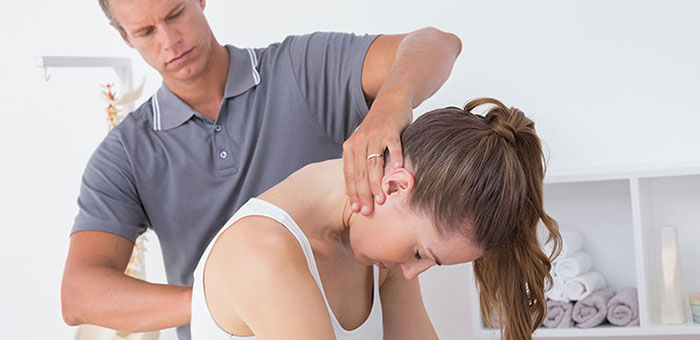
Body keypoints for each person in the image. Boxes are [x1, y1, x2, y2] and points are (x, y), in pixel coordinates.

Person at [60, 0, 462, 339]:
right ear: (124, 38)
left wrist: (394, 101)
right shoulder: (127, 153)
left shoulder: (302, 70)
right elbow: (80, 295)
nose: (170, 42)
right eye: (146, 32)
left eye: (175, 13)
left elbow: (438, 43)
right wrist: (219, 298)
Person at [190, 98, 563, 340]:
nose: (412, 272)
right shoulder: (262, 252)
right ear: (397, 185)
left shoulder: (378, 246)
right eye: (421, 253)